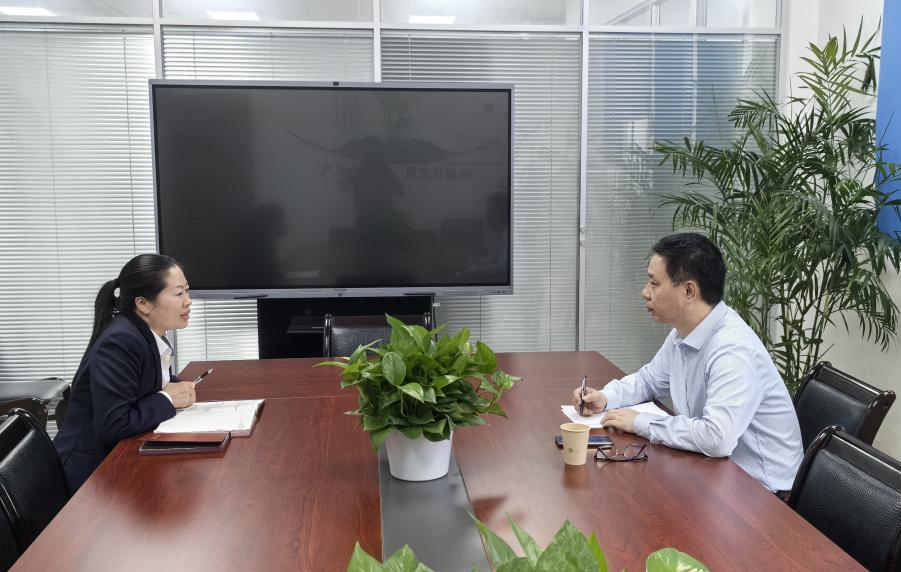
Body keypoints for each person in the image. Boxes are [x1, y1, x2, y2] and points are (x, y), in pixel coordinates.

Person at [573, 233, 803, 495]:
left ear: (689, 291)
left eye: (654, 283)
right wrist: (605, 397)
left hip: (764, 494)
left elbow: (717, 438)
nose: (645, 293)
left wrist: (640, 423)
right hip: (715, 473)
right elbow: (650, 380)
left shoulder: (732, 349)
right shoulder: (685, 331)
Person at [54, 254, 197, 491]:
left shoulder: (146, 333)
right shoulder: (121, 341)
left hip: (117, 461)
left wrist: (176, 388)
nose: (188, 302)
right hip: (89, 475)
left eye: (187, 291)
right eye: (179, 293)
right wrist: (168, 398)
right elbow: (113, 425)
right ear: (143, 304)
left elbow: (145, 384)